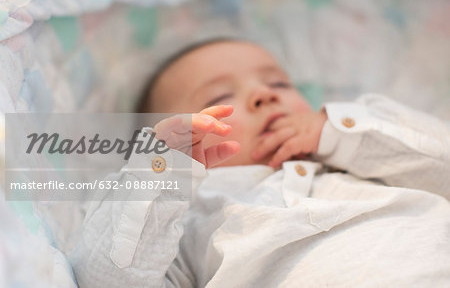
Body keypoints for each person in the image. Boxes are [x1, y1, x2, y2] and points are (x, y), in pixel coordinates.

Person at [69, 38, 450, 287]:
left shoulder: (366, 159)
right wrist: (160, 172)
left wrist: (341, 133)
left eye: (280, 84)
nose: (264, 95)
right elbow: (108, 278)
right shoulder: (184, 220)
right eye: (220, 96)